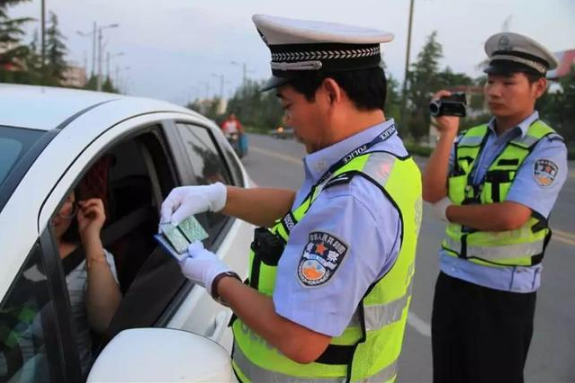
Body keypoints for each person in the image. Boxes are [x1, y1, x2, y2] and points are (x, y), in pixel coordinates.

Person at [161, 14, 422, 382]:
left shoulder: (354, 197)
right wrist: (218, 196)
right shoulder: (383, 158)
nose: (289, 119)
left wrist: (215, 276)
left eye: (288, 105)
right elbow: (306, 209)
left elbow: (300, 339)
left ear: (330, 94)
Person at [422, 32, 568, 383]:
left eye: (507, 82)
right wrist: (446, 134)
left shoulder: (547, 148)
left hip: (504, 293)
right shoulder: (467, 138)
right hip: (453, 282)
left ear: (538, 88)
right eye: (489, 81)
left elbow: (511, 215)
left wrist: (449, 212)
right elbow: (431, 190)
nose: (494, 91)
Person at [53, 191, 122, 375]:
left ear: (77, 204)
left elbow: (107, 322)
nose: (54, 209)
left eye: (64, 199)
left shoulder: (91, 261)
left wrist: (91, 236)